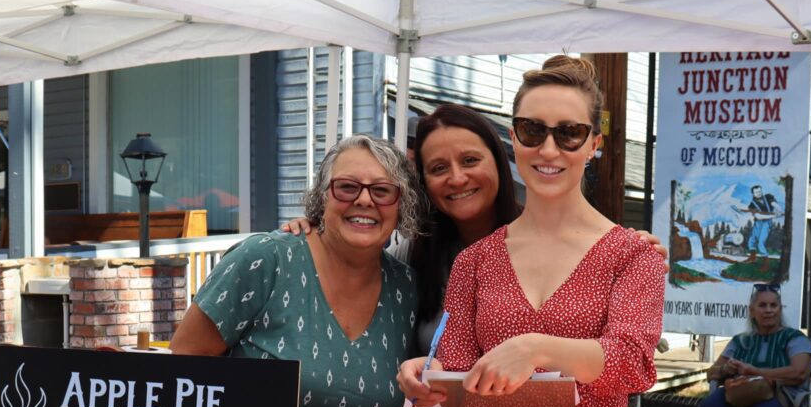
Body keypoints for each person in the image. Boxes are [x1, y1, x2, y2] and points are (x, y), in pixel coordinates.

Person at [397, 56, 665, 407]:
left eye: (570, 133)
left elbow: (632, 364)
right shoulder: (477, 261)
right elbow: (457, 400)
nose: (548, 149)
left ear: (594, 143)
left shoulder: (632, 253)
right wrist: (428, 386)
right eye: (533, 130)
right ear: (514, 136)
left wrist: (535, 348)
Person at [171, 135, 421, 407]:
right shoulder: (266, 259)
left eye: (382, 190)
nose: (364, 200)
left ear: (401, 206)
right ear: (322, 197)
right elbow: (181, 371)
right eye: (347, 187)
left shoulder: (404, 290)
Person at [285, 102, 668, 353]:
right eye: (438, 169)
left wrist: (633, 255)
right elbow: (353, 273)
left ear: (499, 163)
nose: (457, 178)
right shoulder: (411, 255)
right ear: (424, 184)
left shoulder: (566, 243)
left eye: (470, 160)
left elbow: (627, 348)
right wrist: (316, 234)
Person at [698, 283, 811, 407]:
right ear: (752, 311)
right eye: (762, 305)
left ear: (780, 309)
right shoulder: (740, 340)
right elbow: (711, 373)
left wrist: (756, 372)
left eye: (773, 305)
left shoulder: (794, 338)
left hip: (777, 394)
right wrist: (725, 369)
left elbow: (799, 373)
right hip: (739, 393)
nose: (768, 310)